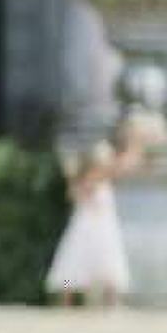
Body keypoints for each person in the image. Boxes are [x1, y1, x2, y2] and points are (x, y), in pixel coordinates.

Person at [46, 115, 150, 308]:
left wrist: (136, 143)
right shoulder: (89, 182)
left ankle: (111, 299)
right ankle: (66, 297)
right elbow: (75, 194)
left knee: (108, 264)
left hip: (104, 227)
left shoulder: (104, 180)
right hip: (85, 228)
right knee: (72, 264)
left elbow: (127, 165)